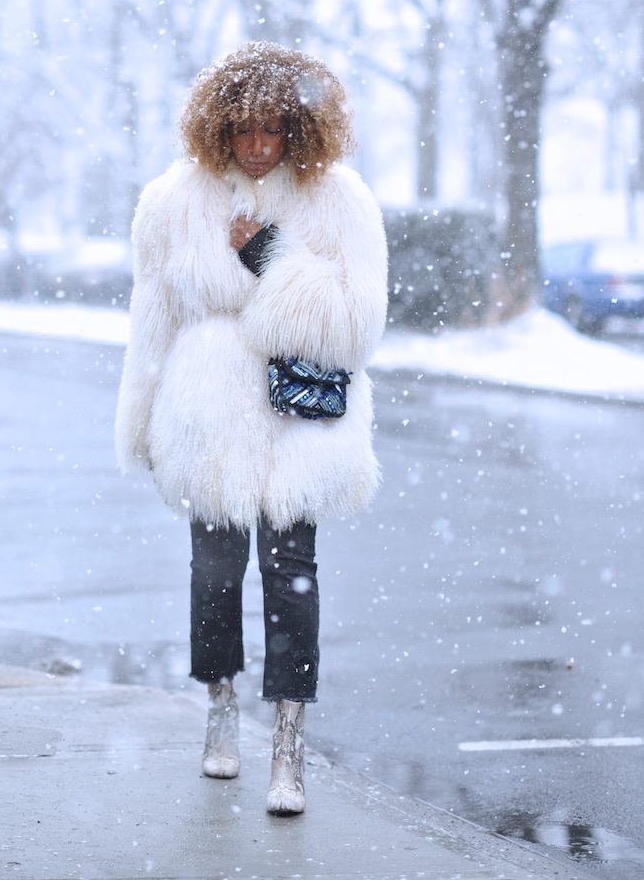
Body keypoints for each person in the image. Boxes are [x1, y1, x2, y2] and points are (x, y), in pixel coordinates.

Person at [115, 41, 388, 815]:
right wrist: (140, 416)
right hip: (205, 417)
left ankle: (289, 739)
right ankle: (222, 706)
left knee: (290, 574)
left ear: (299, 129)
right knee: (214, 573)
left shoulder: (341, 201)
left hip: (298, 421)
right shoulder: (174, 200)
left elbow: (356, 324)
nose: (258, 146)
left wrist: (268, 253)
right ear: (219, 129)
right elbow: (153, 316)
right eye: (243, 131)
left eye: (273, 129)